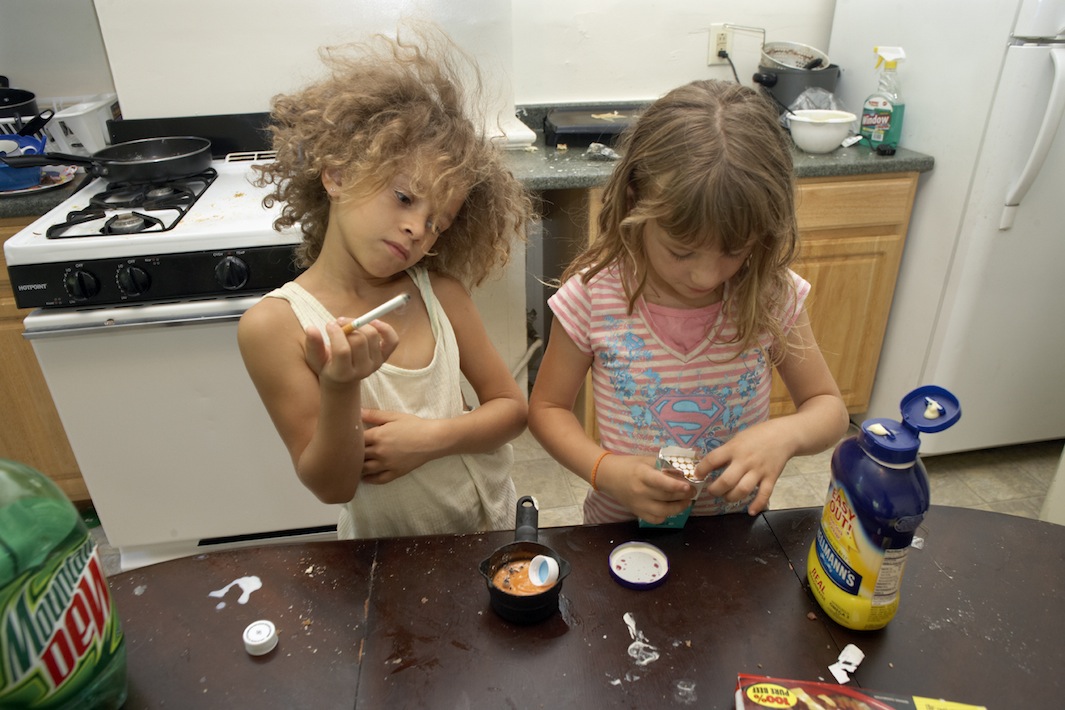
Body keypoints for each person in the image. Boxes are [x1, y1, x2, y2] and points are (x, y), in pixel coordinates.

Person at [238, 29, 533, 539]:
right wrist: (340, 384)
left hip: (490, 529)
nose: (419, 228)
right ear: (336, 175)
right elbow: (333, 486)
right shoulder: (275, 325)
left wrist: (430, 438)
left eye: (438, 222)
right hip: (385, 559)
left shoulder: (440, 295)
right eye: (403, 197)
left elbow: (511, 413)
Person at [528, 79, 849, 525]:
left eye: (733, 251)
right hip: (619, 533)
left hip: (734, 539)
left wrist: (786, 434)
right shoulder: (594, 295)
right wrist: (605, 470)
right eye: (681, 251)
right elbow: (547, 410)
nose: (706, 275)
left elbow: (829, 408)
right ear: (635, 201)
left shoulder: (769, 292)